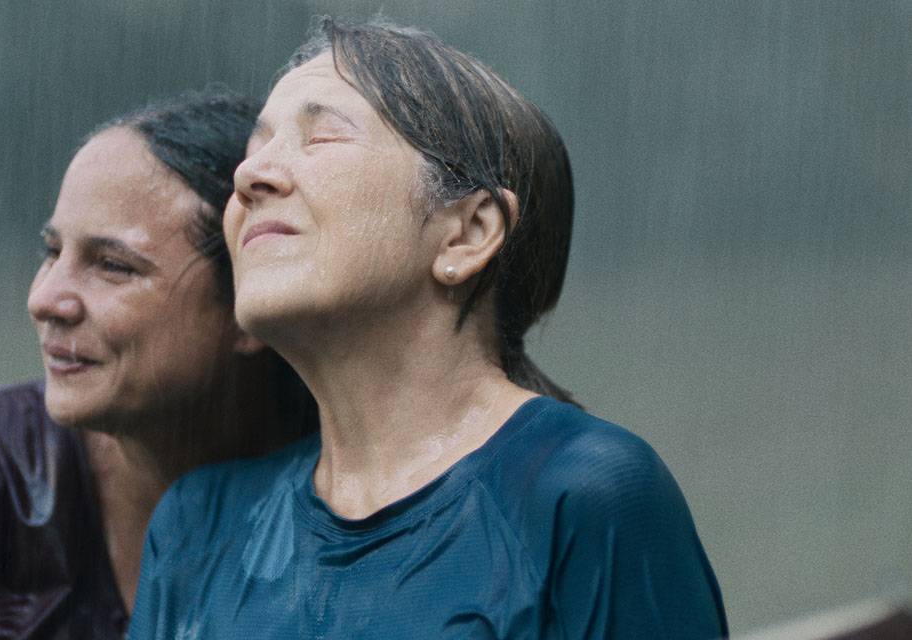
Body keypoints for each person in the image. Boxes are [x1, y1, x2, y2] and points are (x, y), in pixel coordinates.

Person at [129, 19, 727, 639]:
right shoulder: (197, 528)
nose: (249, 177)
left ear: (466, 234)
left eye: (322, 136)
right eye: (255, 150)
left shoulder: (583, 500)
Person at [0, 88, 316, 639]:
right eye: (52, 252)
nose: (46, 300)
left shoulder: (348, 509)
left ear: (250, 304)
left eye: (112, 265)